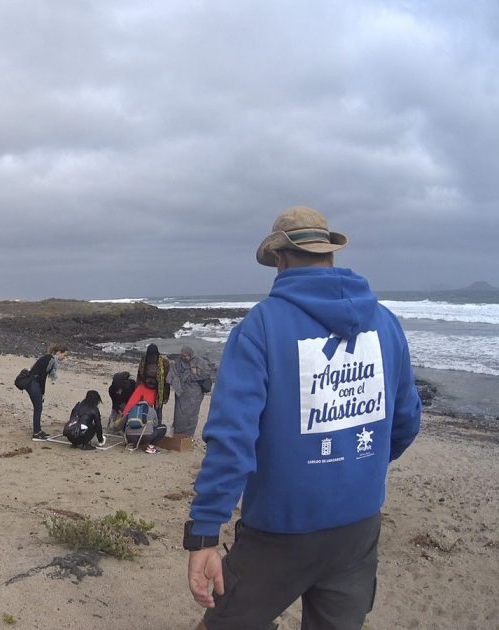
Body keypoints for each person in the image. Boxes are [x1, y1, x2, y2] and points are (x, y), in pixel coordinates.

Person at [185, 206, 422, 630]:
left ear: (280, 258)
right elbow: (405, 421)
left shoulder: (261, 327)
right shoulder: (386, 324)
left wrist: (204, 531)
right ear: (330, 254)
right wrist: (356, 468)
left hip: (281, 528)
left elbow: (232, 438)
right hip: (359, 528)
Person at [27, 344, 67, 441]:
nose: (64, 358)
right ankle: (36, 433)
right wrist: (42, 393)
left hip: (34, 383)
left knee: (38, 407)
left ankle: (38, 431)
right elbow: (42, 376)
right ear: (58, 353)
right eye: (64, 355)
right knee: (38, 407)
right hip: (33, 383)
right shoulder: (50, 359)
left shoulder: (50, 359)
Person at [168, 345, 208, 437]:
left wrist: (196, 372)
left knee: (191, 415)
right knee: (179, 414)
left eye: (186, 356)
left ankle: (189, 435)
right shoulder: (179, 362)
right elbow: (174, 373)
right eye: (182, 355)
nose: (184, 357)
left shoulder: (199, 361)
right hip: (181, 392)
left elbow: (206, 374)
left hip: (195, 394)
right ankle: (177, 434)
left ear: (191, 354)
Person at [119, 384, 167, 453]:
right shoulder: (151, 409)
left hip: (130, 438)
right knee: (163, 428)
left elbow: (122, 424)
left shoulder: (131, 409)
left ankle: (132, 444)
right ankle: (150, 447)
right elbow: (155, 424)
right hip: (145, 437)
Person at [135, 344, 170, 420]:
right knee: (145, 408)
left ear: (156, 355)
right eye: (149, 356)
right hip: (145, 388)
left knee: (158, 411)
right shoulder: (144, 360)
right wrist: (137, 389)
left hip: (158, 390)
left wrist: (165, 396)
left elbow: (167, 381)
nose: (151, 359)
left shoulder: (164, 362)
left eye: (152, 356)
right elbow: (139, 375)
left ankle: (157, 427)